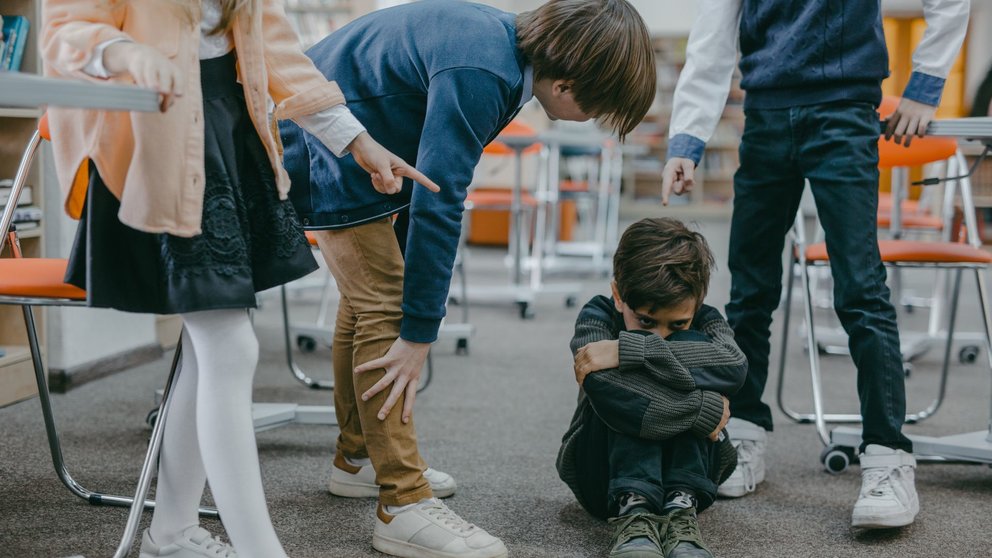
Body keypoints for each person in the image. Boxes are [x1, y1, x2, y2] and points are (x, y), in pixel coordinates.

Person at [41, 1, 437, 556]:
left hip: (227, 125)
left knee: (210, 353)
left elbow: (275, 52)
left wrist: (360, 145)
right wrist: (126, 52)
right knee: (227, 349)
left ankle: (172, 533)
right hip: (157, 129)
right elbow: (63, 33)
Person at [279, 1, 656, 556]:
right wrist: (419, 331)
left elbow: (425, 180)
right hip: (322, 144)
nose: (594, 121)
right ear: (571, 82)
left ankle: (357, 459)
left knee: (367, 303)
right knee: (384, 306)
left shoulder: (499, 50)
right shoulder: (485, 68)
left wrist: (415, 305)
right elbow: (441, 197)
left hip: (347, 145)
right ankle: (401, 503)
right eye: (600, 108)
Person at [661, 0, 970, 529]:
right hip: (766, 115)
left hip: (843, 111)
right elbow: (713, 32)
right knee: (749, 292)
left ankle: (888, 456)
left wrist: (926, 82)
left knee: (860, 290)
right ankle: (744, 433)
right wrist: (687, 140)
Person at [556, 217, 745, 558]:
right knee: (622, 392)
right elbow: (603, 385)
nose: (659, 333)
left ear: (698, 301)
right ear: (618, 295)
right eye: (645, 321)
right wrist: (703, 409)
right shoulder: (597, 314)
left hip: (692, 480)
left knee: (684, 350)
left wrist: (635, 348)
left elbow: (733, 365)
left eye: (676, 323)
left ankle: (679, 509)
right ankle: (635, 509)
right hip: (604, 478)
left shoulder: (705, 319)